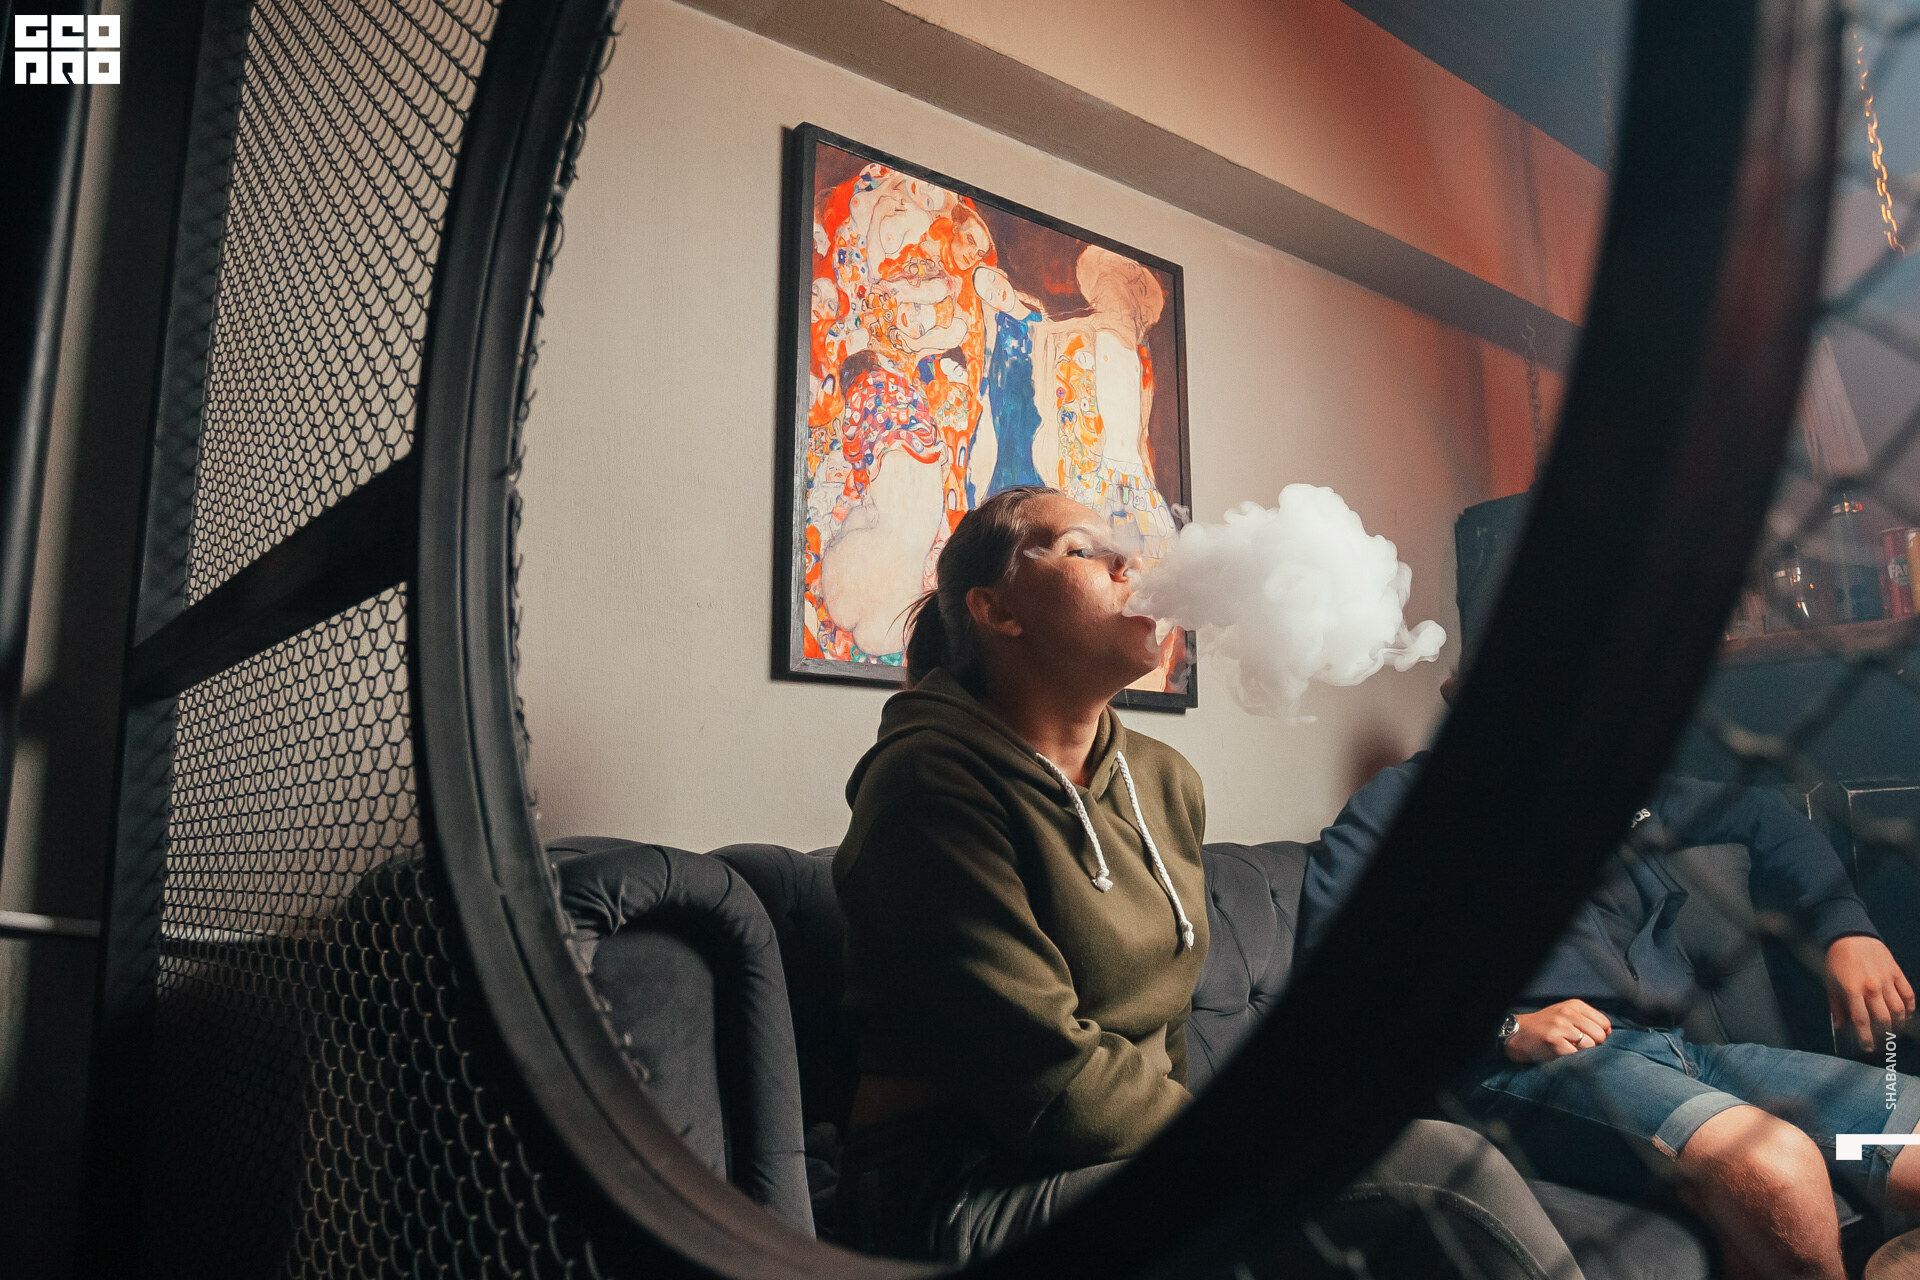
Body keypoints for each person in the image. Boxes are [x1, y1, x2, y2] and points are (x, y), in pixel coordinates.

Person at [828, 485, 1588, 1277]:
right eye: (1085, 549)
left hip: (1117, 1167)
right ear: (997, 610)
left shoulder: (1164, 781)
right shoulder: (928, 783)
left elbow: (1164, 1033)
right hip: (964, 1199)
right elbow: (1040, 1075)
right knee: (1442, 1165)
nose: (1130, 564)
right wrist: (1242, 1145)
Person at [1301, 745, 1920, 1280]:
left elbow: (1765, 812)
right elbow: (1335, 971)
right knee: (1778, 1167)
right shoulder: (1402, 802)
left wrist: (1846, 930)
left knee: (1901, 1147)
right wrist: (1503, 1028)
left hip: (1683, 1056)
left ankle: (1836, 1157)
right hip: (1531, 1071)